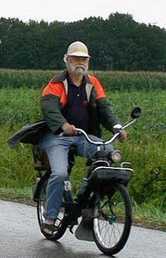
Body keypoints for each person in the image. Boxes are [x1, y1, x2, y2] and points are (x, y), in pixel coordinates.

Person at [38, 41, 128, 237]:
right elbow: (49, 109)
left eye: (84, 59)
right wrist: (63, 125)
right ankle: (50, 217)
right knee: (60, 174)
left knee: (107, 157)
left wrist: (117, 126)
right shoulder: (56, 83)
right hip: (58, 137)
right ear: (67, 60)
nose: (80, 62)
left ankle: (88, 203)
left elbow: (104, 108)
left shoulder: (93, 83)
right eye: (76, 58)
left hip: (84, 137)